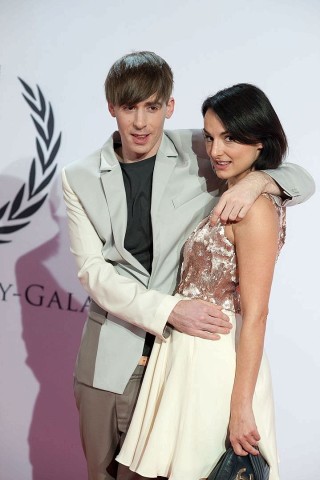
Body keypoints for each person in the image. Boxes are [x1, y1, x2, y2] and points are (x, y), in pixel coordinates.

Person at [62, 52, 315, 480]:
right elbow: (93, 272)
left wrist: (259, 180)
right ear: (111, 108)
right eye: (129, 108)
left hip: (184, 364)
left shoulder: (202, 149)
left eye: (153, 107)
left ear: (170, 107)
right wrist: (170, 310)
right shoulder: (79, 177)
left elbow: (293, 172)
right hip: (110, 360)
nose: (141, 123)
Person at [116, 83, 294, 480]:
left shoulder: (256, 209)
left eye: (230, 138)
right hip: (187, 360)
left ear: (261, 141)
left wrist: (241, 405)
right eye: (211, 137)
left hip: (217, 367)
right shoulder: (232, 192)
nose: (215, 151)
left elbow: (257, 312)